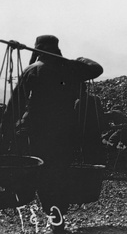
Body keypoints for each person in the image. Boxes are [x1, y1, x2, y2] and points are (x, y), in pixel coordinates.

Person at [0, 35, 103, 234]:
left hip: (37, 132)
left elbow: (15, 105)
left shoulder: (33, 70)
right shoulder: (70, 69)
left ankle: (45, 216)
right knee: (59, 175)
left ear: (38, 50)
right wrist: (77, 60)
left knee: (41, 175)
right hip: (66, 133)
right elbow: (96, 68)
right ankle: (57, 222)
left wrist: (5, 133)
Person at [74, 82, 106, 165]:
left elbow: (77, 120)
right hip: (95, 130)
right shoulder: (96, 99)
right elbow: (101, 114)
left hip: (86, 132)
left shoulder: (79, 103)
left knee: (87, 154)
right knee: (96, 152)